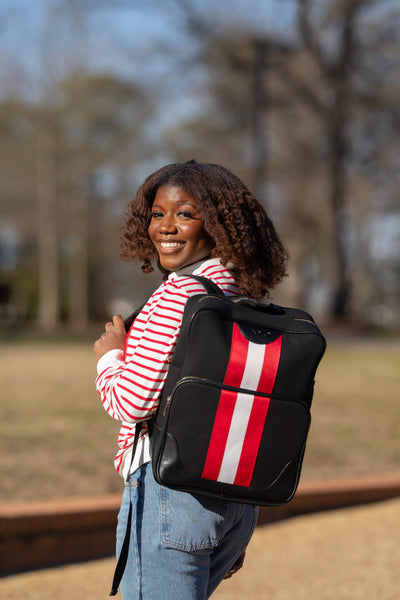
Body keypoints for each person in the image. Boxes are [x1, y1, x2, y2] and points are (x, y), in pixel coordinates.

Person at [94, 160, 288, 599]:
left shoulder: (179, 294)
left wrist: (110, 357)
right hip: (234, 499)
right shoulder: (240, 292)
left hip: (171, 493)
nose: (166, 226)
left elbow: (131, 403)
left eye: (185, 213)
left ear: (217, 225)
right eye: (157, 214)